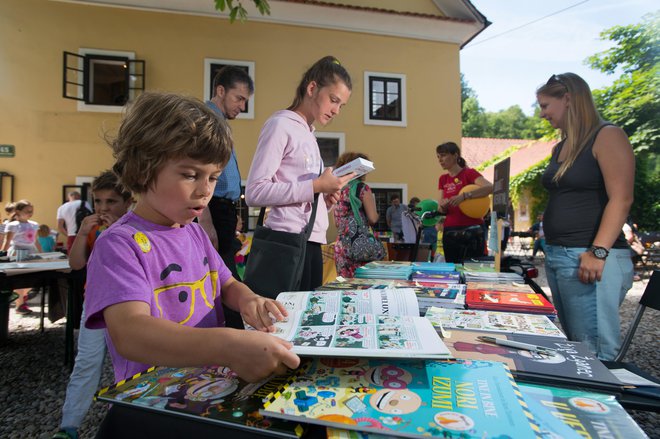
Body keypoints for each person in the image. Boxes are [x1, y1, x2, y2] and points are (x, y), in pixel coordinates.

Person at [83, 92, 300, 437]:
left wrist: (248, 300)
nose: (205, 191)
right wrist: (228, 345)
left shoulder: (193, 233)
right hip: (154, 403)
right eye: (190, 175)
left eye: (213, 177)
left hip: (210, 390)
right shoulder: (119, 244)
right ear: (143, 167)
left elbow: (226, 283)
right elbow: (130, 334)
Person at [537, 73, 635, 361]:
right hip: (561, 256)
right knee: (577, 349)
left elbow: (622, 198)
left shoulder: (607, 135)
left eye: (545, 106)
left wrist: (598, 251)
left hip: (588, 257)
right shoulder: (562, 145)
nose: (542, 114)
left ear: (567, 99)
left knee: (593, 353)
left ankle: (601, 405)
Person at [245, 56, 354, 291]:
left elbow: (300, 193)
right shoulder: (280, 125)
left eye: (341, 105)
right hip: (286, 242)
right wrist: (316, 186)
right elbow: (255, 192)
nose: (336, 111)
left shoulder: (308, 133)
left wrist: (324, 199)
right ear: (312, 88)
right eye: (333, 100)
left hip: (311, 242)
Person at [52, 170, 133, 439]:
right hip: (95, 303)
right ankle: (69, 424)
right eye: (98, 202)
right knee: (86, 361)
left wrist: (114, 232)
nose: (103, 208)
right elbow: (76, 264)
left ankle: (126, 416)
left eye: (111, 202)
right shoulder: (93, 228)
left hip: (127, 306)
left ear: (127, 202)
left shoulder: (133, 228)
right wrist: (82, 231)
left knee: (128, 363)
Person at [198, 66, 254, 329]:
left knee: (226, 277)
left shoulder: (218, 122)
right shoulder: (205, 120)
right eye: (239, 98)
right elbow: (198, 172)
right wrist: (205, 220)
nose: (242, 106)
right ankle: (235, 341)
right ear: (220, 91)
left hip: (225, 210)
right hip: (213, 209)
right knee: (225, 280)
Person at [436, 142, 493, 263]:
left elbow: (490, 187)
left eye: (443, 155)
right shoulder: (443, 179)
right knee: (453, 269)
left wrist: (465, 196)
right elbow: (440, 209)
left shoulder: (469, 173)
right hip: (450, 230)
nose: (440, 159)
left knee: (472, 269)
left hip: (472, 229)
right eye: (438, 157)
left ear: (455, 155)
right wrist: (443, 206)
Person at [333, 152, 380, 278]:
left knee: (346, 286)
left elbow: (336, 223)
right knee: (363, 286)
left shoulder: (338, 189)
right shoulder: (362, 188)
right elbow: (373, 218)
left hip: (341, 246)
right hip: (360, 245)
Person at [2, 200, 43, 314]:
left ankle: (21, 298)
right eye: (27, 211)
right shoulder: (12, 225)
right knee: (19, 279)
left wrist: (42, 254)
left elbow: (36, 241)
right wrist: (2, 254)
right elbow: (7, 241)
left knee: (32, 279)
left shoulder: (34, 224)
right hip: (17, 253)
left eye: (31, 211)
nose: (30, 213)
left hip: (30, 253)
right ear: (18, 212)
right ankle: (20, 304)